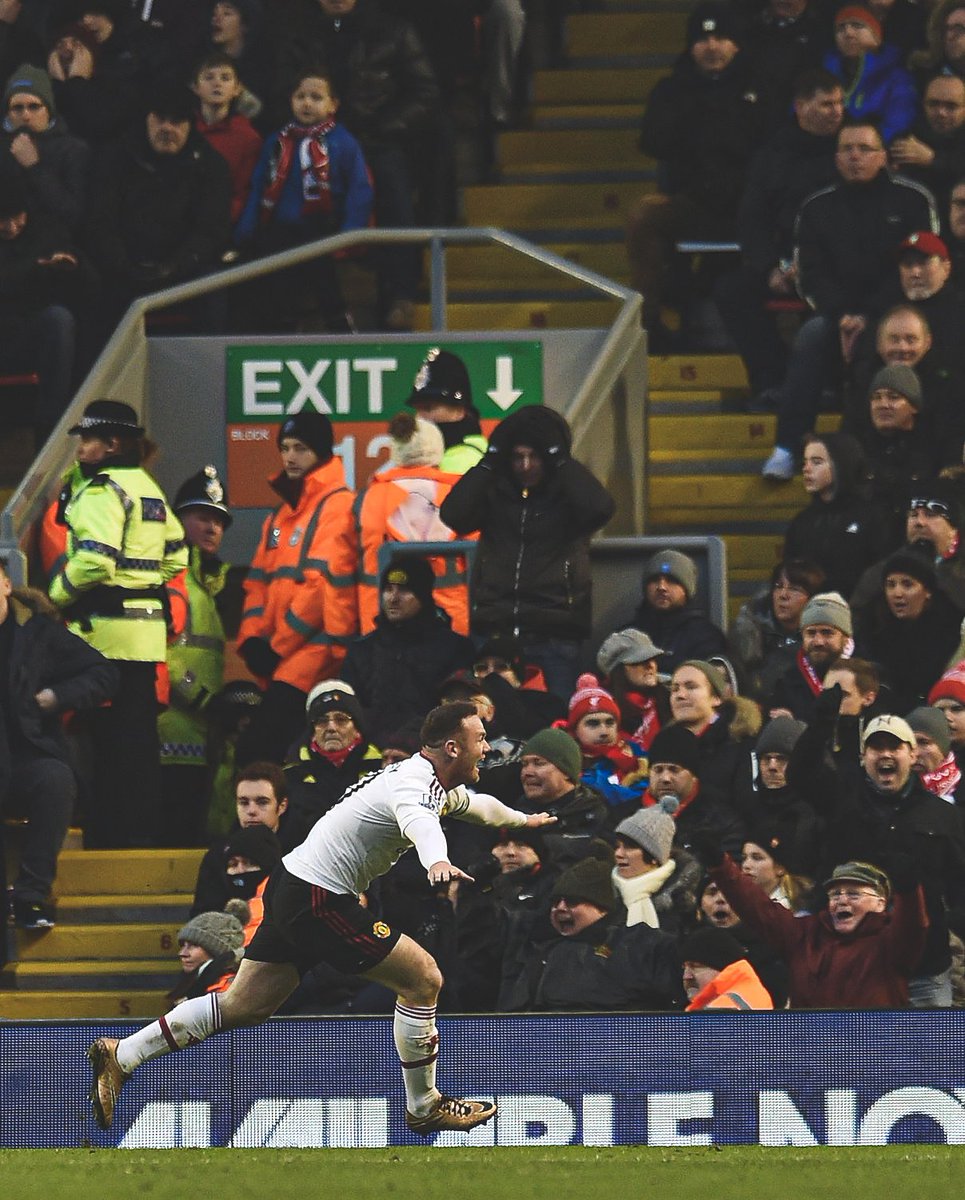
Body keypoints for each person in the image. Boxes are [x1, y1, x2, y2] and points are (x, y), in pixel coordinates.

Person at [88, 702, 557, 1135]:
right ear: (453, 747)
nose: (487, 746)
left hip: (295, 884)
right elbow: (420, 822)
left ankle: (122, 1055)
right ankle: (424, 1105)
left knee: (243, 1006)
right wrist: (435, 858)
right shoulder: (413, 786)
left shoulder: (427, 779)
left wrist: (524, 821)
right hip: (318, 897)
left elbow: (474, 805)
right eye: (481, 738)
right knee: (423, 978)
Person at [761, 118, 939, 480]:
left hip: (898, 311)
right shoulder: (816, 206)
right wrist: (844, 315)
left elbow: (919, 267)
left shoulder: (913, 199)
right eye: (847, 149)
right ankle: (788, 446)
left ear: (883, 156)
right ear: (836, 157)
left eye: (865, 149)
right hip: (836, 313)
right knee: (812, 335)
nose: (855, 156)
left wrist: (870, 317)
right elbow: (810, 273)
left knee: (892, 335)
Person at [48, 399, 187, 848]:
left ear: (112, 444)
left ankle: (107, 840)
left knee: (104, 749)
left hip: (102, 641)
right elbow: (178, 554)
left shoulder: (101, 491)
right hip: (145, 642)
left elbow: (93, 561)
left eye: (87, 439)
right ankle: (139, 839)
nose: (80, 448)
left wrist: (54, 599)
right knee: (138, 748)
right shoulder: (147, 486)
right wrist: (143, 584)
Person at [274, 0, 439, 331]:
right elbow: (281, 90)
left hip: (377, 138)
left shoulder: (394, 30)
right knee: (294, 200)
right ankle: (316, 304)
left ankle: (401, 295)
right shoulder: (298, 35)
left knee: (395, 193)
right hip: (315, 140)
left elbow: (424, 91)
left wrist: (383, 129)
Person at [440, 405, 615, 698]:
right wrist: (490, 460)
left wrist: (560, 459)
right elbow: (453, 514)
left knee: (554, 723)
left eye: (534, 456)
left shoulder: (570, 493)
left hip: (555, 636)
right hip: (494, 636)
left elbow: (601, 508)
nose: (525, 465)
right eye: (517, 457)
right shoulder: (495, 491)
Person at [627, 1, 772, 348]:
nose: (712, 47)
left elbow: (769, 149)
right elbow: (653, 142)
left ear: (736, 44)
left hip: (752, 207)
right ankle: (647, 325)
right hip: (694, 203)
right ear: (690, 46)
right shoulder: (672, 89)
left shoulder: (759, 89)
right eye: (703, 39)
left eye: (721, 38)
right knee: (644, 215)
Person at [715, 67, 844, 405]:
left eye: (839, 103)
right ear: (800, 107)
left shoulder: (850, 150)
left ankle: (832, 383)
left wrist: (814, 265)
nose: (837, 112)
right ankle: (770, 380)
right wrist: (770, 267)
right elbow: (752, 218)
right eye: (826, 104)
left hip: (837, 262)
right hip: (784, 260)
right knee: (733, 291)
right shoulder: (772, 155)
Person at [0, 556, 116, 928]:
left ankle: (31, 897)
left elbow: (103, 673)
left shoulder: (38, 633)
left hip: (25, 762)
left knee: (55, 779)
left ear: (5, 584)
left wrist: (56, 695)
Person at [236, 411, 358, 766]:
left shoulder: (339, 506)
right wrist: (252, 640)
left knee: (259, 752)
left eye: (301, 448)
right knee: (276, 755)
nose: (290, 457)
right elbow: (257, 582)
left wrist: (275, 647)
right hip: (280, 659)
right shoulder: (278, 518)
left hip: (313, 657)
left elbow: (320, 588)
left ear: (321, 452)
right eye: (285, 448)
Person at [83, 81, 232, 339]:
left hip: (183, 272)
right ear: (147, 119)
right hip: (121, 268)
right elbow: (100, 222)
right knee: (87, 282)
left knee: (214, 284)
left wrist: (173, 267)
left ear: (190, 124)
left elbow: (210, 231)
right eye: (160, 119)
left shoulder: (211, 165)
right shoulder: (114, 158)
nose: (167, 128)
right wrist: (123, 265)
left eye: (176, 122)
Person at [234, 66, 372, 331]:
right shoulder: (277, 140)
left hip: (323, 225)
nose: (307, 103)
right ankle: (279, 329)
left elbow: (360, 189)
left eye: (316, 97)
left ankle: (339, 325)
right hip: (282, 225)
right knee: (275, 280)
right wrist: (247, 226)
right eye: (300, 96)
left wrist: (351, 233)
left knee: (323, 274)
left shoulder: (343, 142)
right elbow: (259, 184)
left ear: (333, 105)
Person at [705, 847, 927, 1007]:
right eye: (835, 894)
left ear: (880, 903)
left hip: (872, 1053)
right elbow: (757, 908)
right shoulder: (805, 934)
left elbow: (913, 924)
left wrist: (909, 890)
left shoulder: (891, 942)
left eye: (853, 893)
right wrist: (722, 867)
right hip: (812, 1053)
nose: (841, 900)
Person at [497, 855, 685, 1012]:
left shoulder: (639, 943)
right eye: (555, 901)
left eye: (572, 901)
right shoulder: (540, 953)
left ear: (602, 908)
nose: (560, 908)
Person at [158, 465, 232, 847]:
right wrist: (201, 697)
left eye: (219, 520)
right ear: (178, 519)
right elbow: (161, 651)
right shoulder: (171, 578)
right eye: (202, 516)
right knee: (175, 831)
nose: (212, 527)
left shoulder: (211, 582)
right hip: (172, 729)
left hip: (204, 730)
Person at [354, 409, 468, 634]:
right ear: (438, 449)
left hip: (382, 627)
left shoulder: (367, 500)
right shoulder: (463, 498)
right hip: (453, 629)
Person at [341, 554, 474, 746]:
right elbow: (348, 711)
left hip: (430, 753)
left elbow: (456, 714)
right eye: (388, 589)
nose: (393, 598)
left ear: (423, 595)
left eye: (404, 590)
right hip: (373, 755)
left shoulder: (454, 648)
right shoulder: (361, 650)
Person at [0, 172, 90, 437]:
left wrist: (70, 268)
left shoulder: (47, 230)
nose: (11, 226)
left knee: (59, 320)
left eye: (17, 217)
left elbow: (89, 283)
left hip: (26, 339)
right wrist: (33, 269)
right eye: (3, 219)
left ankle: (52, 433)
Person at [854, 546, 964, 712]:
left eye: (907, 584)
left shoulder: (951, 632)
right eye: (890, 585)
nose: (897, 593)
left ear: (927, 591)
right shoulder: (872, 628)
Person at [782, 432, 891, 597]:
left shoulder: (872, 517)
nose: (806, 468)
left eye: (816, 462)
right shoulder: (802, 521)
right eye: (805, 462)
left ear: (842, 464)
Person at [281, 679, 381, 851]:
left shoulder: (381, 770)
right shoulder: (291, 776)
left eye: (341, 719)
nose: (331, 728)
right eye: (321, 721)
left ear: (356, 728)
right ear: (312, 731)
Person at [633, 722, 746, 862]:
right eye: (658, 770)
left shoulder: (722, 823)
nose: (665, 778)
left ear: (693, 776)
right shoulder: (624, 816)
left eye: (674, 770)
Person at [1, 62, 89, 232]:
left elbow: (72, 213)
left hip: (51, 242)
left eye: (34, 107)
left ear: (48, 111)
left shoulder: (73, 149)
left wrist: (34, 167)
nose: (26, 115)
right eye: (17, 108)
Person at [191, 760, 288, 914]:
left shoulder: (300, 850)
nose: (251, 811)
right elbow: (204, 916)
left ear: (282, 806)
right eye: (244, 803)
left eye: (262, 802)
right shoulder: (218, 855)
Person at [731, 558, 827, 704]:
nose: (783, 595)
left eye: (794, 589)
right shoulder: (747, 636)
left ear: (812, 598)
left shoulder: (820, 645)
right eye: (778, 586)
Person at [822, 5, 917, 143]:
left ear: (876, 36)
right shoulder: (825, 73)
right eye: (840, 28)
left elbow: (898, 124)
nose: (848, 33)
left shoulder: (897, 78)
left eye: (857, 25)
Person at [668, 659, 761, 798]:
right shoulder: (665, 745)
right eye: (675, 689)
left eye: (691, 687)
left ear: (716, 698)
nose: (680, 695)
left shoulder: (742, 744)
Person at [627, 548, 728, 674]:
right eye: (654, 580)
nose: (661, 587)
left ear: (686, 590)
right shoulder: (627, 635)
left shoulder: (706, 637)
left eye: (671, 580)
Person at [191, 51, 261, 224]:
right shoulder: (185, 129)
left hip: (221, 224)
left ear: (237, 89)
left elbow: (243, 192)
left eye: (225, 78)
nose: (217, 83)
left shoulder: (248, 137)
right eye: (209, 77)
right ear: (195, 87)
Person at [612, 800, 702, 934]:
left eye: (629, 847)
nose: (618, 854)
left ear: (654, 857)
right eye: (617, 846)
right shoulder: (604, 892)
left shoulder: (681, 899)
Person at [564, 673, 648, 808]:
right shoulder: (563, 760)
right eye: (593, 724)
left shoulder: (638, 757)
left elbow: (646, 796)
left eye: (609, 723)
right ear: (575, 730)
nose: (604, 732)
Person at [768, 591, 854, 721]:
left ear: (846, 637)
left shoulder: (867, 676)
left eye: (827, 633)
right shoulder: (786, 680)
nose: (818, 641)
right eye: (811, 633)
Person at [890, 74, 965, 217]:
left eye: (951, 106)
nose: (941, 113)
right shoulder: (907, 139)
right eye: (934, 104)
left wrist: (933, 160)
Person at [404, 348, 487, 474]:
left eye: (428, 408)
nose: (419, 418)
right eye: (417, 409)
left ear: (459, 411)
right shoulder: (421, 454)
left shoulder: (466, 460)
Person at [595, 627, 671, 749]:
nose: (650, 665)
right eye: (640, 661)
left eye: (653, 659)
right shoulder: (601, 708)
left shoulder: (671, 696)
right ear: (618, 671)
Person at [680, 927, 775, 1010]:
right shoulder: (749, 994)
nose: (686, 976)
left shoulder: (724, 1009)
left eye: (696, 966)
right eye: (684, 967)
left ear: (724, 969)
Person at [167, 906, 246, 1003]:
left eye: (194, 945)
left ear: (217, 951)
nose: (182, 953)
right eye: (183, 945)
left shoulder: (224, 989)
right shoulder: (195, 982)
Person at [906, 703, 965, 802]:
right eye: (909, 744)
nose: (915, 753)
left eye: (924, 743)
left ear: (943, 748)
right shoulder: (892, 792)